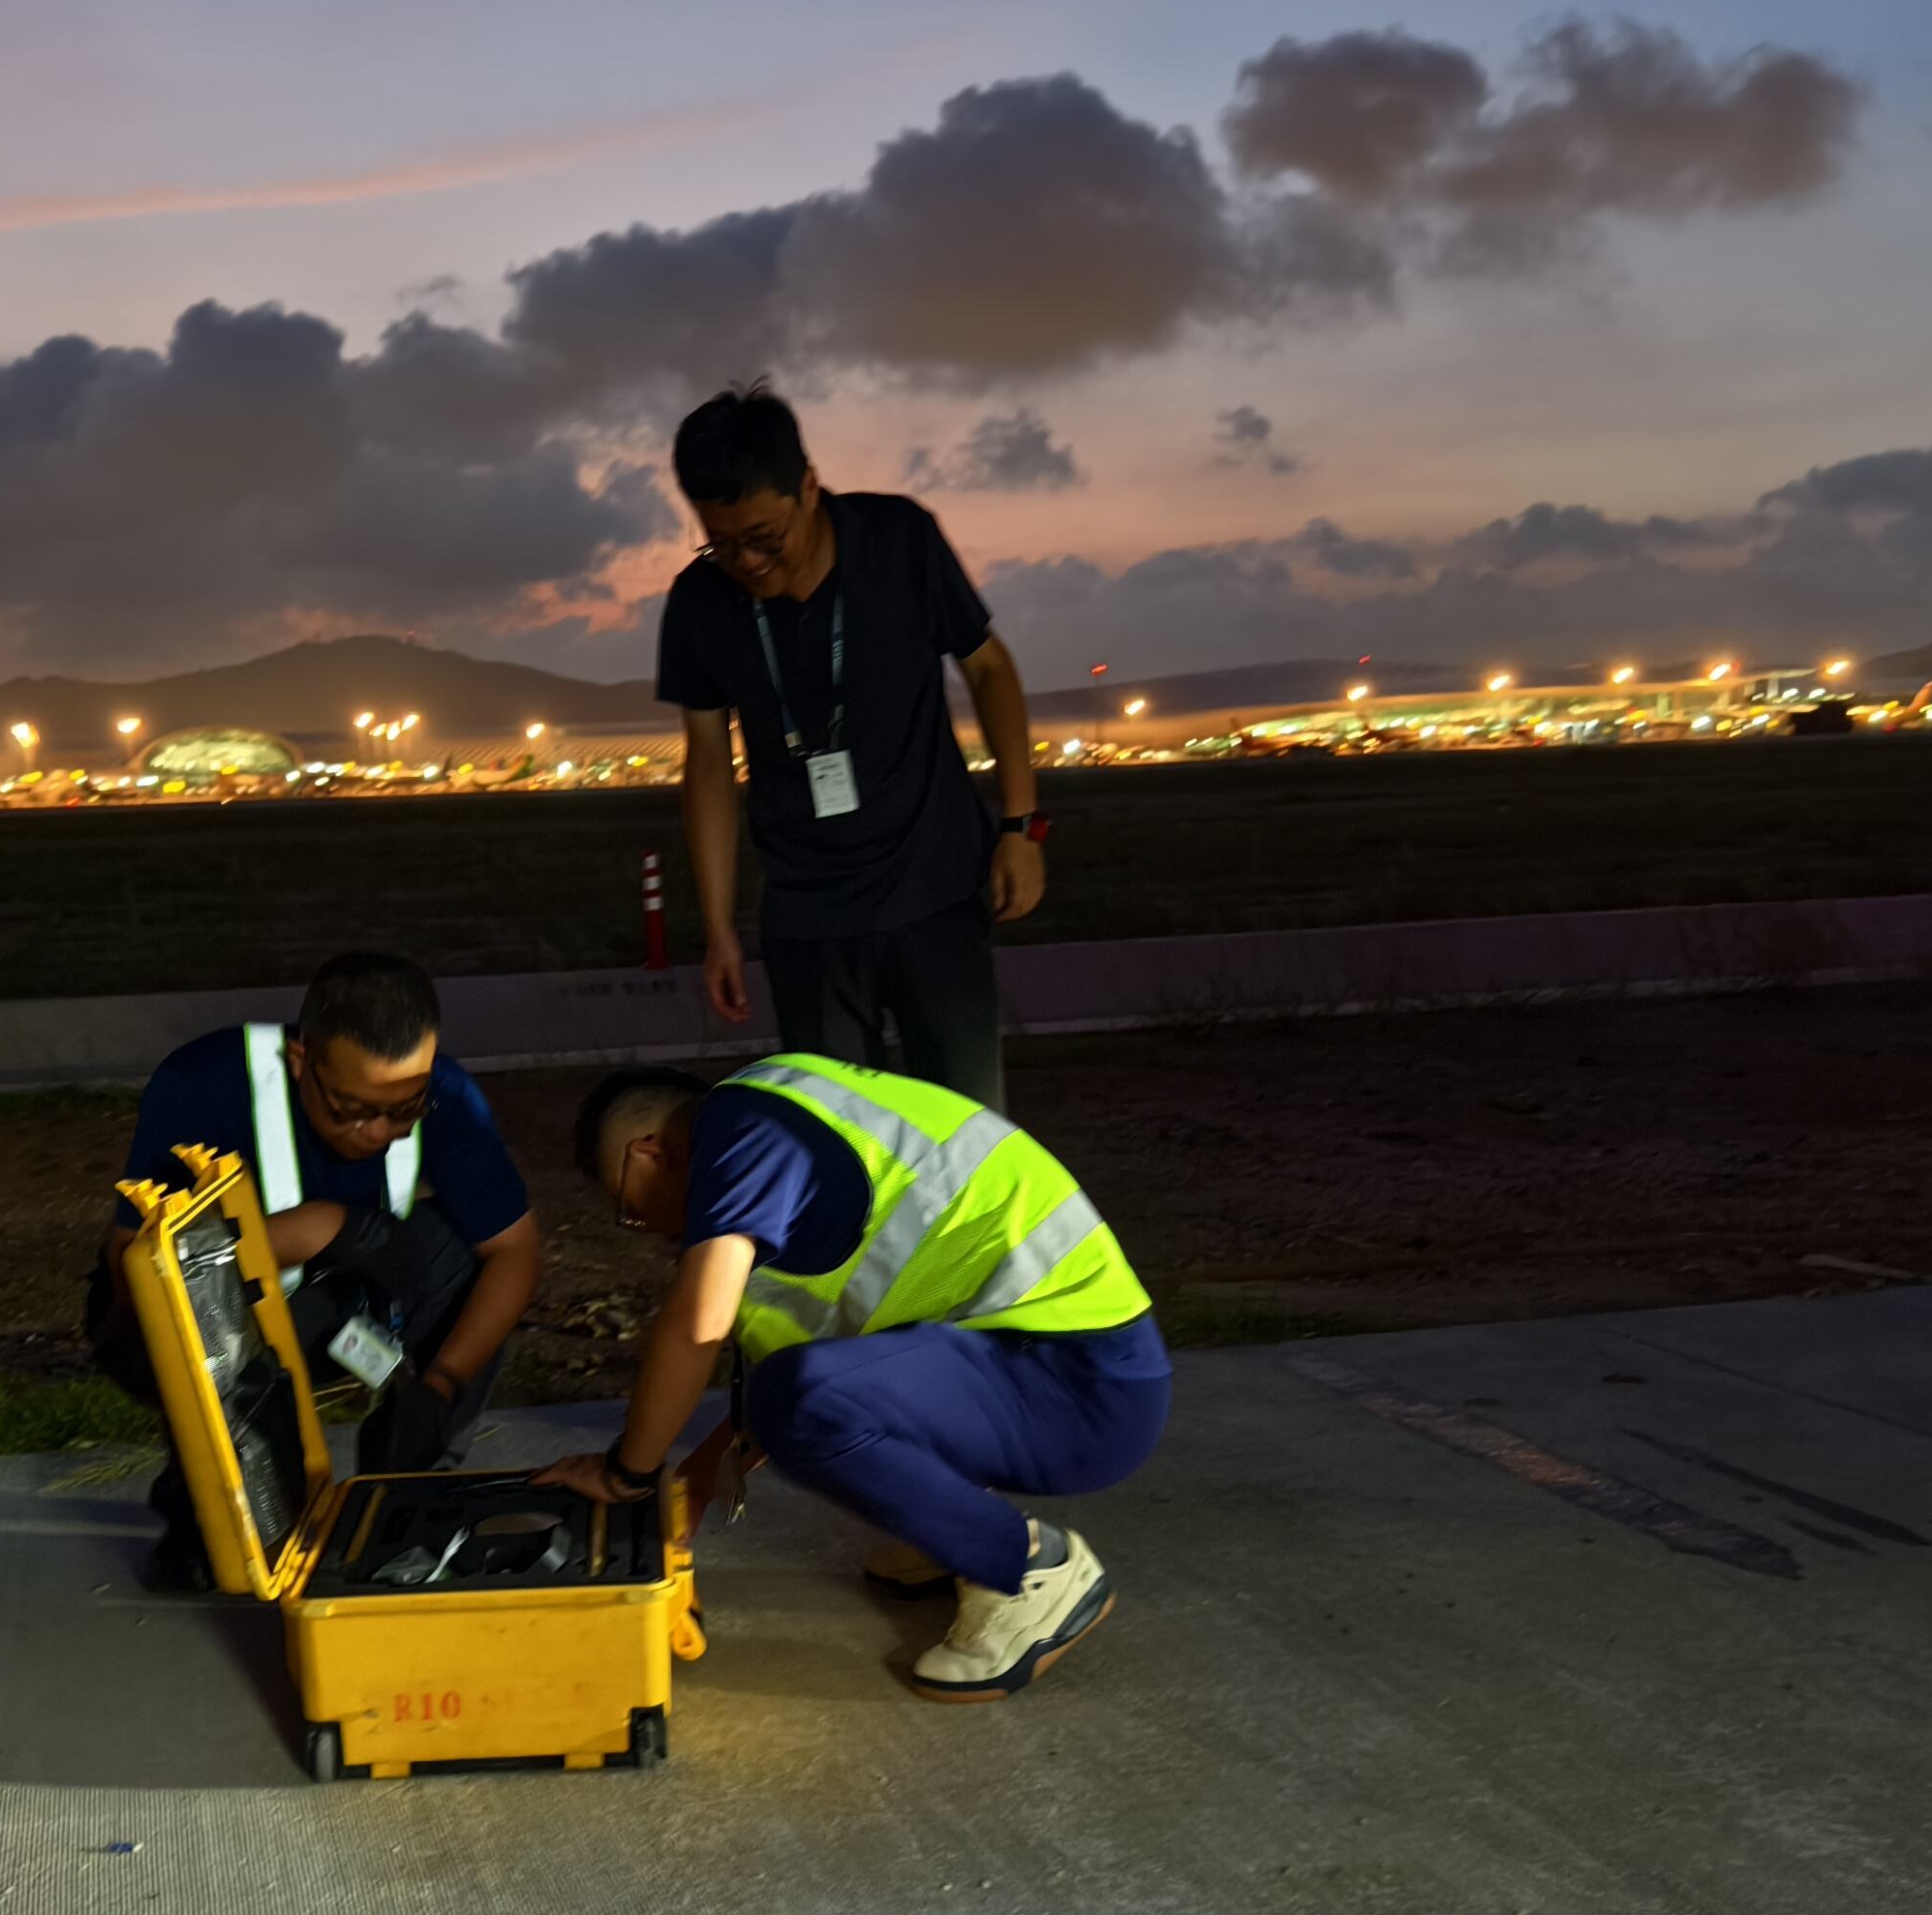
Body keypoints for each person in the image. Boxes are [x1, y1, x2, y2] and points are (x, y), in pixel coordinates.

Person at [534, 1055, 1166, 1700]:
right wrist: (695, 1481)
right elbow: (775, 1389)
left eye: (628, 1210)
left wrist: (627, 1474)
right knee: (801, 1394)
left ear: (648, 1153)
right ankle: (953, 1533)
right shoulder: (792, 1141)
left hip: (1083, 1386)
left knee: (802, 1400)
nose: (647, 1229)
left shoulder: (741, 1122)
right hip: (1043, 1374)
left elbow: (696, 1326)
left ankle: (1024, 1565)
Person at [90, 951, 543, 1588]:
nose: (378, 1132)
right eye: (351, 1109)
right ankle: (206, 1499)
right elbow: (138, 1265)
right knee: (226, 1551)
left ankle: (407, 1490)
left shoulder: (445, 1095)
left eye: (404, 1109)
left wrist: (442, 1380)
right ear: (302, 1061)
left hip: (335, 1319)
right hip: (208, 1327)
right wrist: (319, 1228)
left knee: (454, 1252)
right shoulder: (205, 1082)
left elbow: (515, 1251)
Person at [657, 384, 1047, 1109]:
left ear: (808, 485)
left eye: (764, 538)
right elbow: (708, 763)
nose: (746, 562)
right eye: (721, 541)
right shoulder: (699, 602)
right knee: (841, 1143)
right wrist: (718, 927)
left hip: (935, 889)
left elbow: (988, 666)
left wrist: (1020, 827)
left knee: (967, 1136)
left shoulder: (897, 540)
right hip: (808, 915)